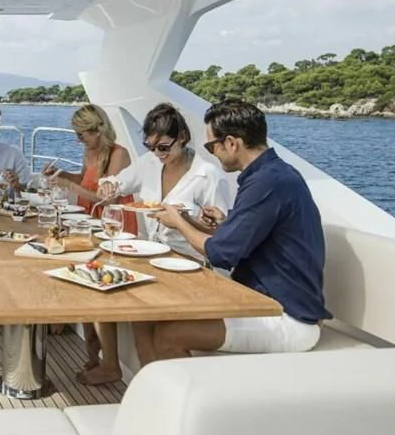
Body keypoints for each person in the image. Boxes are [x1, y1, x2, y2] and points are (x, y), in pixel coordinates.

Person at [140, 99, 330, 361]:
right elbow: (252, 234)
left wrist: (177, 220)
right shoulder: (272, 174)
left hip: (288, 316)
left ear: (231, 143)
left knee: (169, 335)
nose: (212, 152)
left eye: (211, 145)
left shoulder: (267, 182)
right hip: (263, 301)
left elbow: (221, 253)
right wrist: (225, 221)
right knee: (149, 315)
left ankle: (192, 402)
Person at [42, 104, 134, 380]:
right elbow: (86, 181)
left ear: (98, 130)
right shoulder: (89, 152)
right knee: (84, 284)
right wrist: (62, 175)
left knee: (98, 293)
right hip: (88, 225)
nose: (78, 139)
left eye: (82, 134)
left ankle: (111, 364)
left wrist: (71, 187)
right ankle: (94, 358)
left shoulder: (120, 155)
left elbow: (107, 199)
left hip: (111, 230)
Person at [96, 102, 230, 260]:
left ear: (182, 137)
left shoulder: (207, 175)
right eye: (151, 147)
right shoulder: (148, 163)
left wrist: (182, 219)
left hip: (189, 261)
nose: (157, 153)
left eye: (163, 147)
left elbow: (220, 235)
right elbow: (115, 184)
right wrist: (107, 186)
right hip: (149, 254)